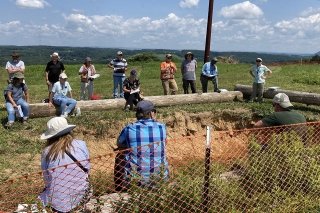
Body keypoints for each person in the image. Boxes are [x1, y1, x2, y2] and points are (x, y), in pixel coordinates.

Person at [114, 100, 169, 191]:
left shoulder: (130, 128)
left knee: (119, 156)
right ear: (152, 113)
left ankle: (120, 190)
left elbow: (119, 143)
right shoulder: (161, 127)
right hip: (161, 178)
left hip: (136, 181)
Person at [39, 117, 90, 213]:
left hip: (58, 202)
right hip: (83, 194)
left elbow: (47, 179)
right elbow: (87, 168)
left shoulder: (47, 152)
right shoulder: (81, 144)